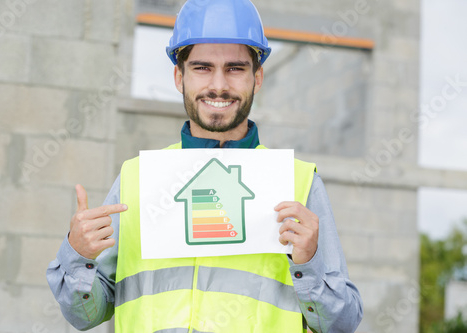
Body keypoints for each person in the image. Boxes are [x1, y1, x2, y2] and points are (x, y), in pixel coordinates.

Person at [47, 0, 363, 332]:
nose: (219, 85)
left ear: (257, 78)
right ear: (178, 76)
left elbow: (341, 324)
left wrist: (309, 263)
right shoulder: (137, 179)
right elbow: (85, 316)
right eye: (201, 67)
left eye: (235, 68)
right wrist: (78, 256)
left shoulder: (297, 183)